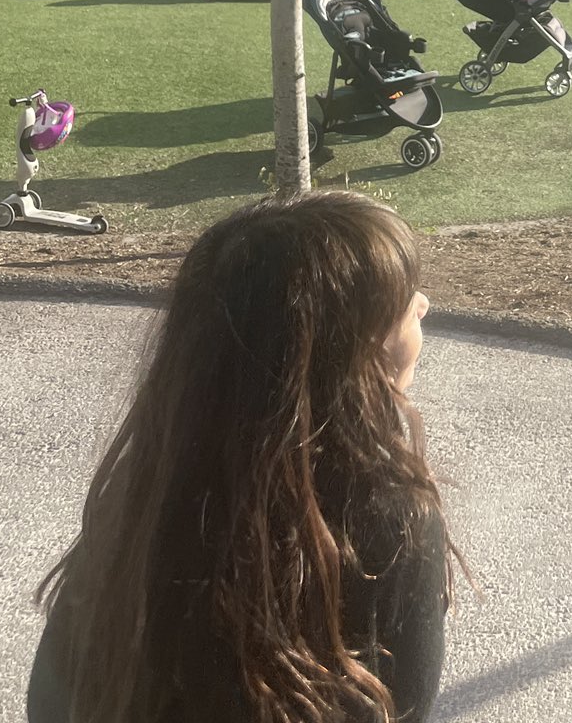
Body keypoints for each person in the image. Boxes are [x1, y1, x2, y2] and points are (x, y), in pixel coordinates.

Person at [26, 194, 449, 723]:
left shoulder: (151, 486)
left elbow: (52, 695)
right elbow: (406, 708)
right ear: (359, 351)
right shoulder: (391, 519)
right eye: (405, 299)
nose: (423, 304)